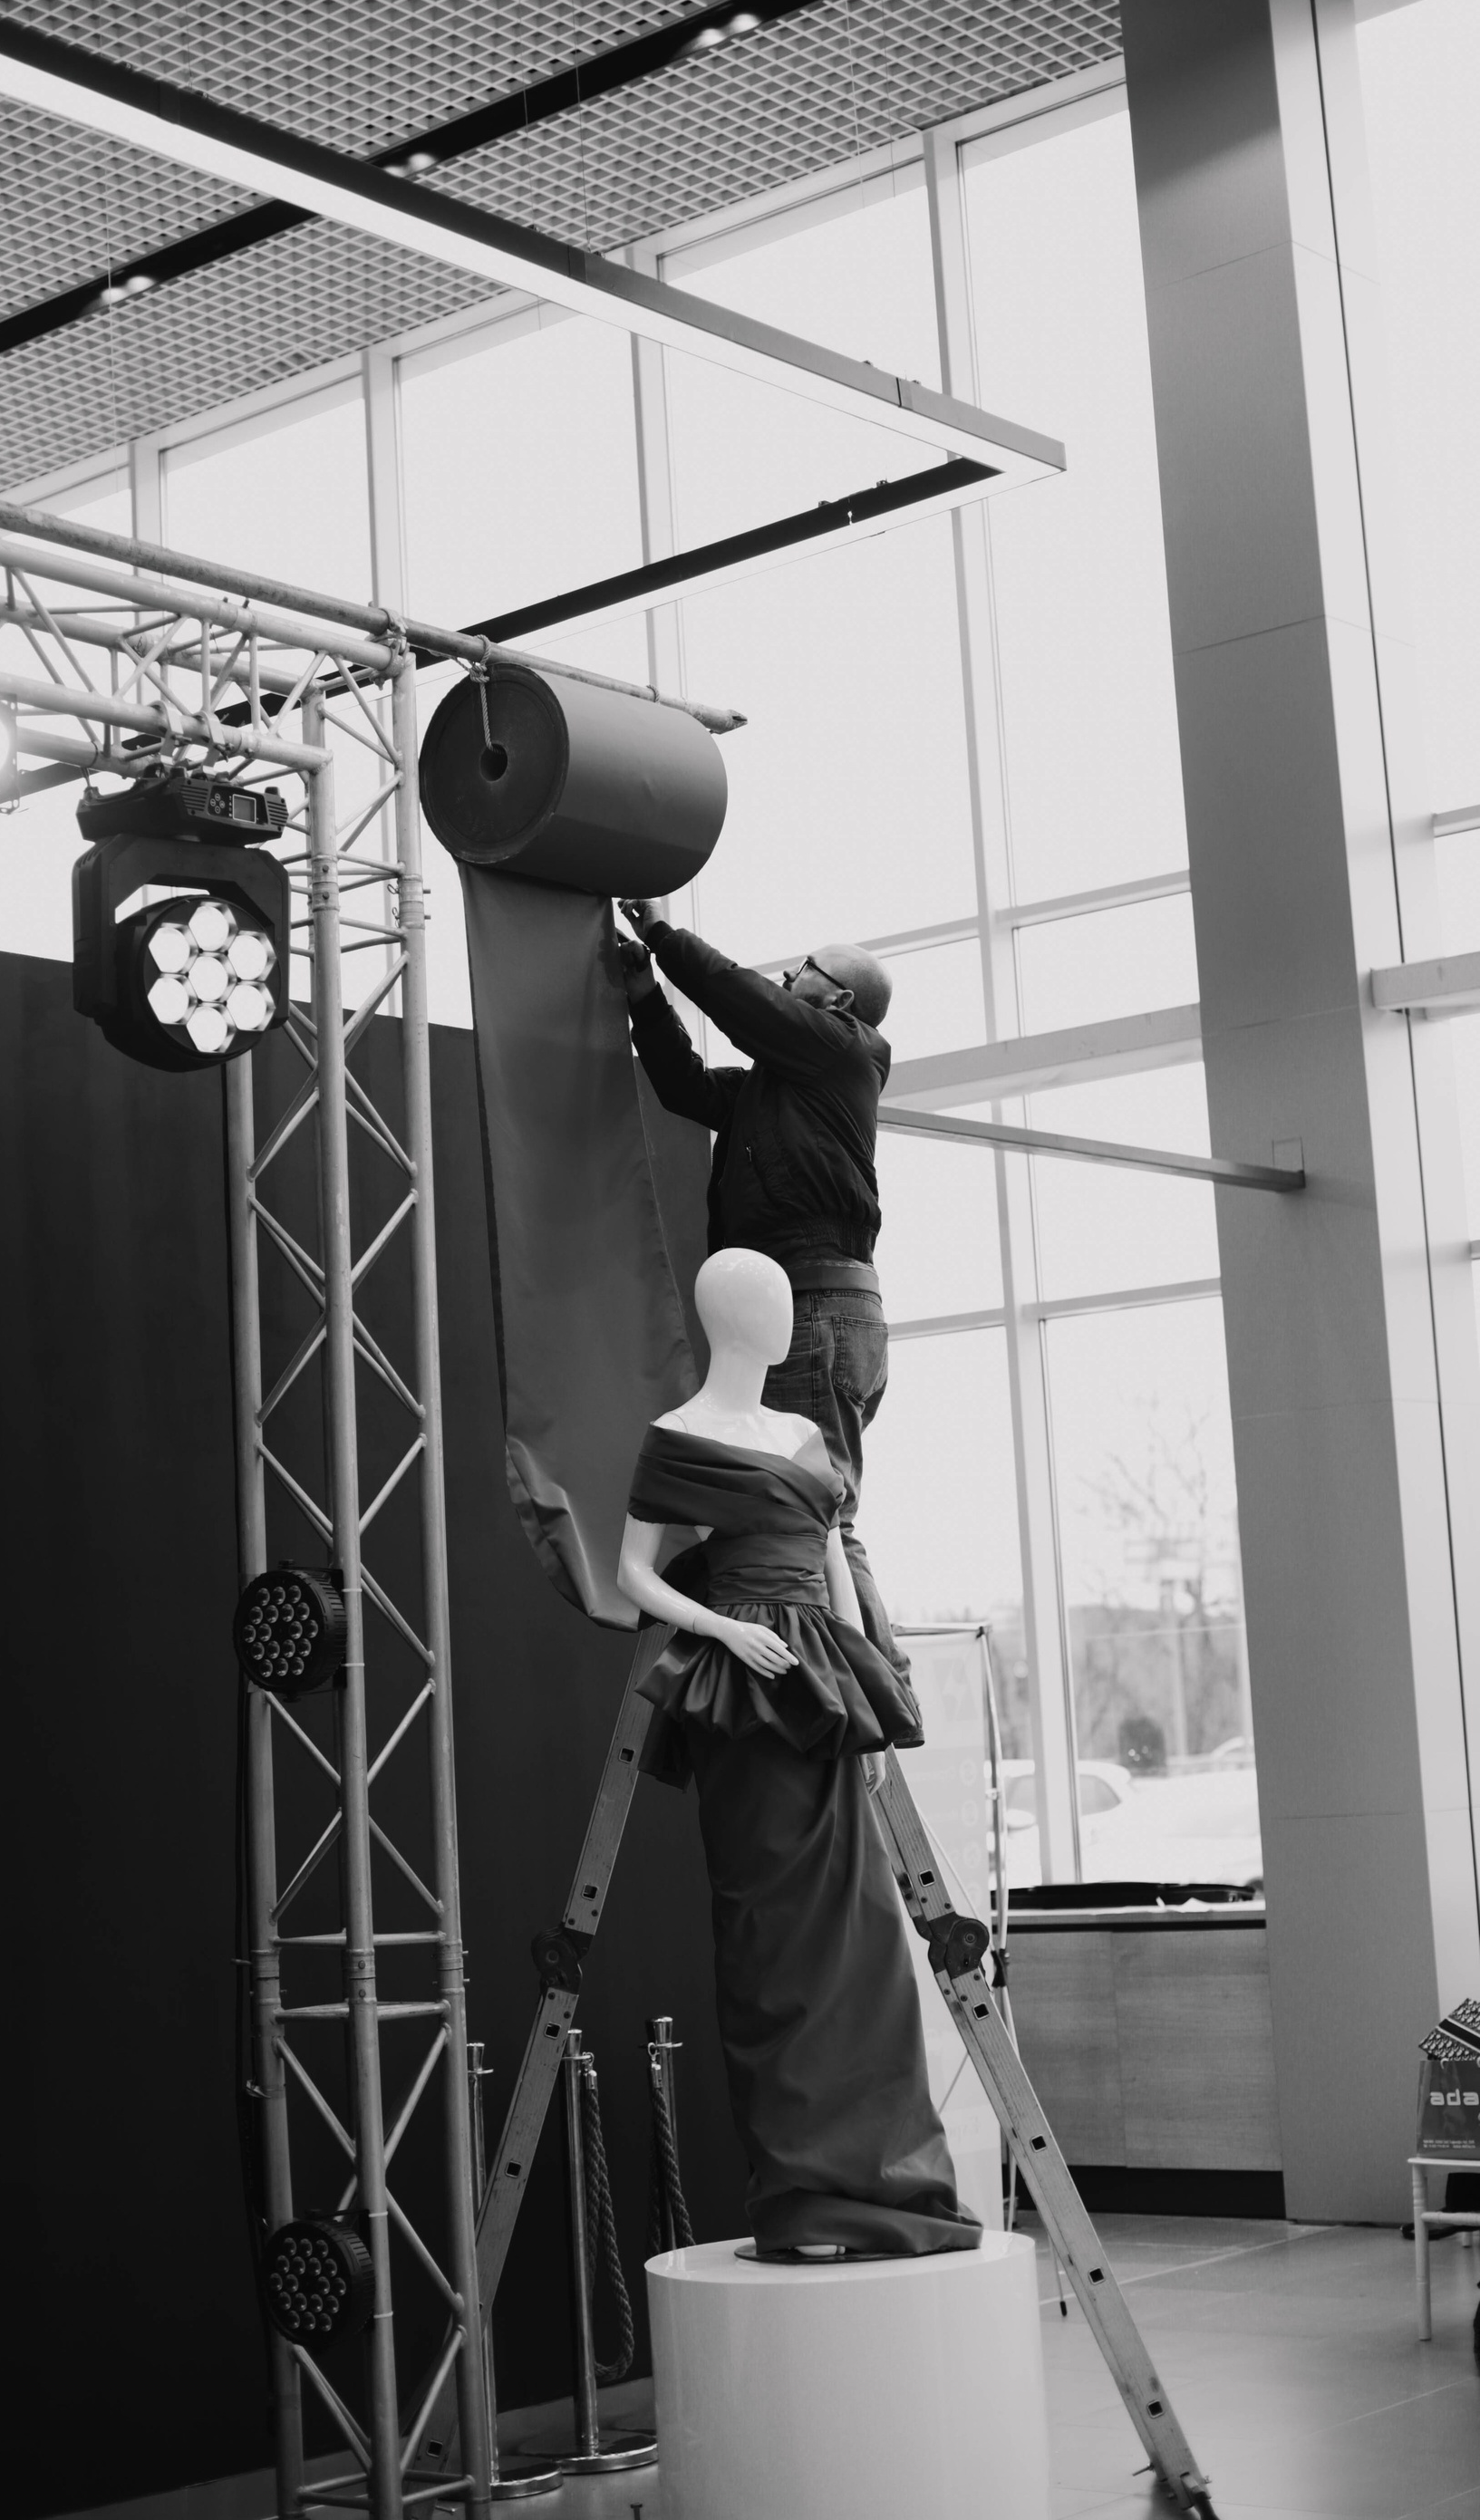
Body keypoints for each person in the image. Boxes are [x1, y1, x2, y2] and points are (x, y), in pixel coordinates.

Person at [617, 1247, 979, 2260]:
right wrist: (723, 1631)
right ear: (728, 1319)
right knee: (770, 1945)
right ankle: (803, 2200)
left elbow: (835, 1566)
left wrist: (874, 1703)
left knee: (868, 1946)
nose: (783, 1318)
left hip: (822, 1689)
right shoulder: (678, 1437)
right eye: (766, 1304)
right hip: (749, 1700)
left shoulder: (805, 1437)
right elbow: (634, 1572)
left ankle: (894, 2187)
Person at [616, 897, 919, 1743]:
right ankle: (860, 1690)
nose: (789, 976)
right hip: (820, 1313)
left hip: (815, 1312)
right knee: (814, 1509)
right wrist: (645, 997)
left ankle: (876, 1697)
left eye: (804, 970)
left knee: (823, 1515)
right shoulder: (779, 1087)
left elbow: (740, 999)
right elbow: (684, 1086)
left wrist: (662, 935)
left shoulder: (844, 1052)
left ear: (838, 1001)